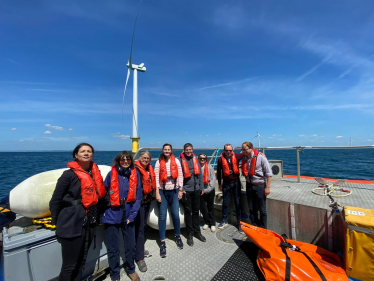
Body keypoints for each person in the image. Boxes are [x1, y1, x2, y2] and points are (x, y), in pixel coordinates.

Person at [50, 143, 106, 281]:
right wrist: (57, 222)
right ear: (76, 155)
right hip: (72, 225)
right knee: (70, 266)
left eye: (89, 151)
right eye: (82, 151)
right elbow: (55, 200)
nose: (86, 153)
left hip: (90, 223)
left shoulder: (94, 173)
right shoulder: (68, 175)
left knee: (81, 262)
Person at [102, 151, 142, 281]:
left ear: (131, 161)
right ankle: (115, 275)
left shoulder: (135, 175)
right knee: (113, 248)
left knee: (130, 245)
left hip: (128, 216)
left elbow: (138, 196)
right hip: (111, 216)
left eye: (128, 159)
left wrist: (133, 215)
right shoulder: (110, 175)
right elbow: (103, 193)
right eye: (123, 159)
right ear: (118, 161)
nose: (125, 161)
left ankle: (131, 269)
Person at [154, 144, 184, 257]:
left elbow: (180, 175)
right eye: (165, 149)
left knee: (175, 214)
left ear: (171, 151)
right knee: (162, 216)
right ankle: (162, 242)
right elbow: (157, 177)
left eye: (168, 149)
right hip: (162, 191)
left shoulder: (176, 161)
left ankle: (178, 236)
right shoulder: (158, 162)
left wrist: (180, 190)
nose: (167, 151)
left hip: (175, 190)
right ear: (163, 150)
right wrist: (157, 192)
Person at [179, 143, 206, 246]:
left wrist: (201, 187)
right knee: (188, 212)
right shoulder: (180, 160)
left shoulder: (195, 159)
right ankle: (189, 234)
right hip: (186, 190)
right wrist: (181, 189)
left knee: (196, 212)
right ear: (184, 150)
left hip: (196, 190)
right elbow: (179, 176)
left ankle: (197, 232)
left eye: (190, 149)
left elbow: (199, 175)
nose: (189, 151)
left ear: (192, 150)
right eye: (187, 150)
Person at [241, 141, 273, 229]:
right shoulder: (244, 158)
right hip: (249, 186)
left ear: (251, 148)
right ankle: (254, 225)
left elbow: (269, 173)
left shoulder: (261, 157)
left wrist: (267, 187)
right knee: (251, 208)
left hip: (259, 186)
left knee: (262, 209)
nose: (243, 151)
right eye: (242, 149)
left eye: (245, 149)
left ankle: (263, 228)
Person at [133, 151, 156, 272]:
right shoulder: (135, 170)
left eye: (148, 158)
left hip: (146, 201)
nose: (146, 160)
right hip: (138, 203)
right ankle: (139, 257)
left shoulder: (148, 169)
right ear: (140, 158)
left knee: (142, 226)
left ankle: (138, 249)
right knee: (140, 229)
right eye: (144, 158)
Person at [217, 143, 244, 232]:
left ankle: (240, 222)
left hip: (236, 183)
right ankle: (224, 220)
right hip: (226, 183)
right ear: (224, 151)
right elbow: (219, 171)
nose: (228, 152)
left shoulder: (237, 156)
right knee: (225, 203)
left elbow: (248, 153)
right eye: (227, 150)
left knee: (238, 203)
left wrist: (257, 152)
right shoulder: (220, 159)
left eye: (230, 150)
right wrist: (219, 184)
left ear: (232, 150)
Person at [198, 153, 217, 232]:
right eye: (201, 158)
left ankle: (212, 223)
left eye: (204, 158)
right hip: (200, 191)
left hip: (209, 190)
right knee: (202, 208)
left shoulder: (210, 167)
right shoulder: (197, 168)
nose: (202, 160)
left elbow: (213, 179)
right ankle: (207, 221)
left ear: (206, 159)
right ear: (198, 159)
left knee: (210, 207)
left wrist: (208, 190)